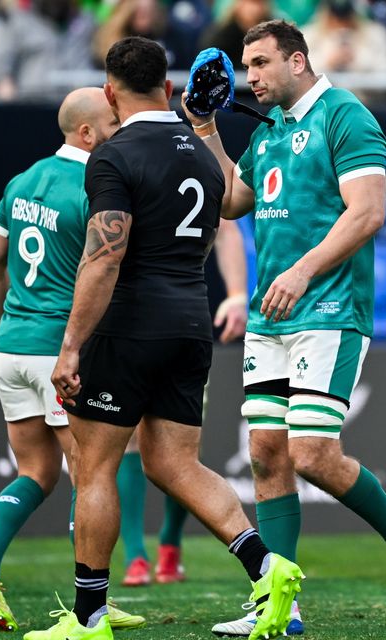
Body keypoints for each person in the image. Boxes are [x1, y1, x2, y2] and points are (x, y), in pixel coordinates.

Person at [40, 36, 303, 640]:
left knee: (95, 467)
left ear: (110, 93)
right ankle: (268, 565)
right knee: (173, 463)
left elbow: (104, 258)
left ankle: (88, 617)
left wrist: (73, 345)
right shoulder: (203, 156)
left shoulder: (113, 154)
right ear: (167, 86)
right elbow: (213, 232)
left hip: (130, 324)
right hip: (190, 320)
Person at [183, 20, 386, 636]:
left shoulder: (345, 116)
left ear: (298, 61)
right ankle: (280, 602)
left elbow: (369, 212)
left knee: (314, 454)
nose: (252, 78)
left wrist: (302, 268)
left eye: (262, 64)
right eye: (247, 66)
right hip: (274, 316)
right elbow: (231, 202)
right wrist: (207, 132)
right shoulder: (270, 129)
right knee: (267, 454)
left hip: (330, 307)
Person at [0, 87, 144, 634]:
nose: (121, 132)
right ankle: (90, 604)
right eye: (113, 124)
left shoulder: (22, 181)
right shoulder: (95, 186)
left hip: (10, 347)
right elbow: (105, 268)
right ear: (86, 133)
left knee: (36, 472)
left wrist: (8, 330)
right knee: (88, 475)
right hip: (59, 352)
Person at [117, 217, 250, 587]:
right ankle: (136, 556)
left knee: (177, 447)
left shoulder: (177, 163)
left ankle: (167, 547)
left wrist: (238, 294)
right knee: (136, 442)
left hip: (164, 320)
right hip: (152, 320)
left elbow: (226, 226)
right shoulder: (136, 165)